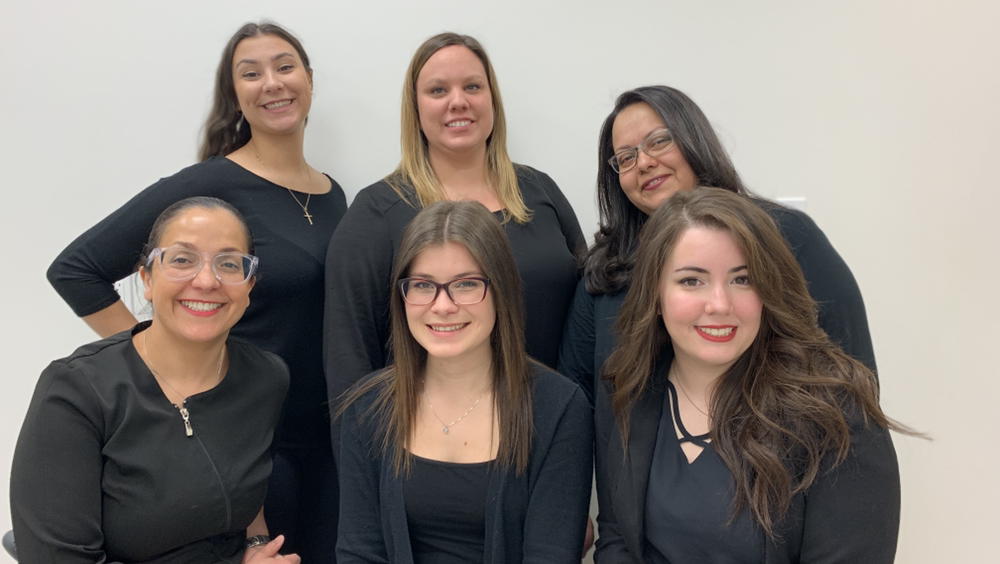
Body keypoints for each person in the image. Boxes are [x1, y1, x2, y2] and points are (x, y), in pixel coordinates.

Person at [45, 22, 347, 561]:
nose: (272, 83)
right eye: (250, 74)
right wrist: (157, 369)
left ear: (308, 79)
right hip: (248, 444)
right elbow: (76, 270)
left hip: (328, 440)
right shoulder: (210, 184)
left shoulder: (332, 194)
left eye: (284, 66)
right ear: (235, 95)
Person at [595, 188, 904, 563]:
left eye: (742, 279)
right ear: (655, 295)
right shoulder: (627, 386)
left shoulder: (837, 413)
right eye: (692, 280)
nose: (719, 304)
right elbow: (617, 536)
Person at [324, 32, 584, 455]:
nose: (458, 101)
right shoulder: (376, 213)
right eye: (438, 90)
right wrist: (361, 472)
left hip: (545, 438)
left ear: (492, 100)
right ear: (415, 109)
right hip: (428, 453)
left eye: (472, 86)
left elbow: (584, 319)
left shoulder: (540, 192)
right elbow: (348, 357)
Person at [13, 197, 300, 563]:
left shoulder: (267, 378)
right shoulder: (76, 391)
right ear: (147, 280)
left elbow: (250, 492)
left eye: (229, 264)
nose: (206, 281)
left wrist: (257, 547)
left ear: (249, 287)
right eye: (182, 260)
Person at [558, 85, 877, 406]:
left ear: (694, 140)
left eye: (659, 141)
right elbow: (577, 396)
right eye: (626, 157)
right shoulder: (604, 273)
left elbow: (852, 375)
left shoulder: (789, 235)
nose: (643, 162)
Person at [337, 201, 593, 563]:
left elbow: (549, 556)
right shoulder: (367, 409)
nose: (443, 306)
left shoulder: (559, 409)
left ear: (501, 290)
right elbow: (359, 553)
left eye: (466, 284)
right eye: (423, 285)